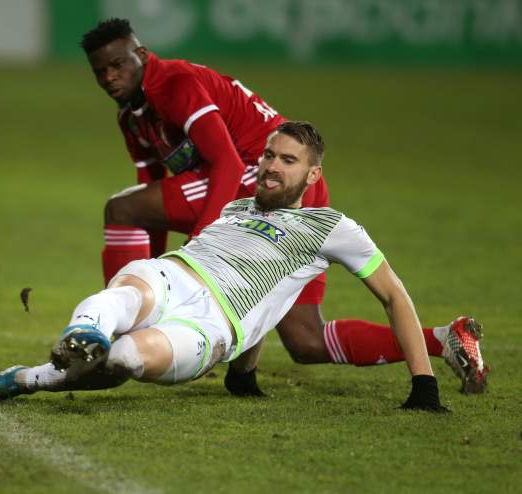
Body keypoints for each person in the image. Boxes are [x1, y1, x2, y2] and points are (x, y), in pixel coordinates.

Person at [80, 19, 488, 395]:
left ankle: (113, 324)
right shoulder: (132, 116)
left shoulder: (174, 84)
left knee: (120, 210)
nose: (110, 77)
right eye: (100, 71)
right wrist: (154, 276)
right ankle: (444, 339)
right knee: (305, 340)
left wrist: (200, 242)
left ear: (143, 55)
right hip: (278, 185)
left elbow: (226, 162)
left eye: (118, 65)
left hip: (267, 177)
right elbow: (152, 193)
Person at [0, 121, 484, 410]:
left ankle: (20, 379)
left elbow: (393, 295)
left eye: (287, 161)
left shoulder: (332, 228)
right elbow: (268, 294)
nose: (271, 166)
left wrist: (424, 384)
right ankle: (81, 336)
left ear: (313, 175)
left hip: (215, 323)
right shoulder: (237, 208)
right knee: (125, 294)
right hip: (174, 275)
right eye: (269, 156)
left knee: (124, 359)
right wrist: (246, 373)